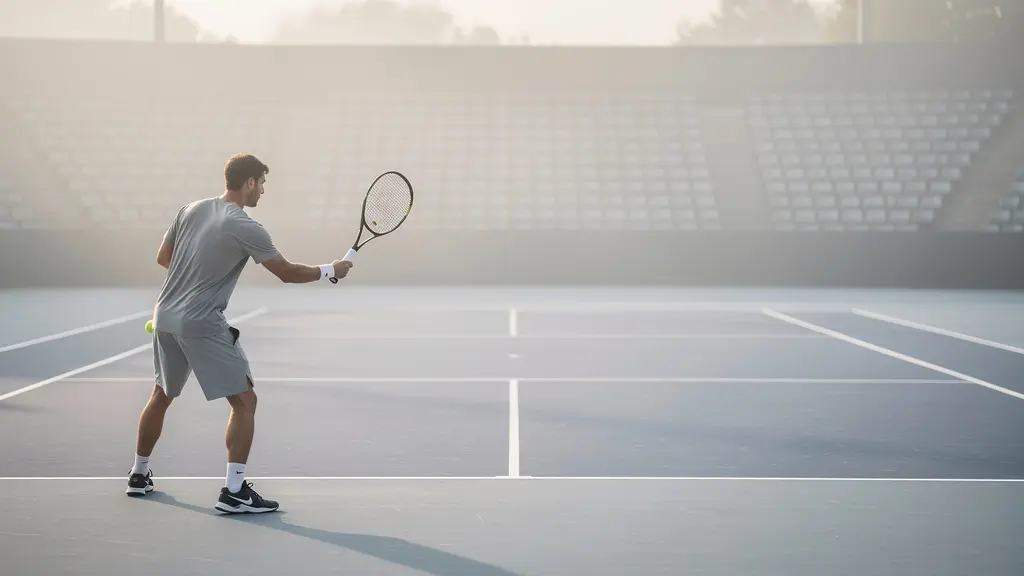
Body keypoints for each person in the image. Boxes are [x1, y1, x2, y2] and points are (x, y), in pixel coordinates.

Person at [125, 153, 352, 514]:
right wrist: (330, 270)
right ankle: (234, 492)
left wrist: (198, 273)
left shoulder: (190, 209)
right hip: (201, 322)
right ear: (249, 182)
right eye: (262, 183)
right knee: (245, 402)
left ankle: (138, 475)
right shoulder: (246, 226)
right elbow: (287, 273)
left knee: (160, 395)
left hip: (164, 316)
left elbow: (164, 257)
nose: (262, 190)